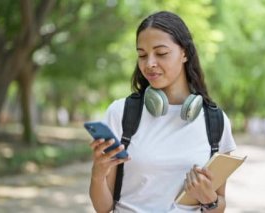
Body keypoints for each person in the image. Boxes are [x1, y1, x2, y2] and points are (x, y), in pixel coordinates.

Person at [89, 11, 237, 213]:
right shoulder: (121, 113)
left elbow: (219, 204)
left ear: (184, 53)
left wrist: (209, 199)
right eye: (142, 54)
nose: (149, 63)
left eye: (161, 53)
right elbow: (103, 208)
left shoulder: (215, 121)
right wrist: (98, 174)